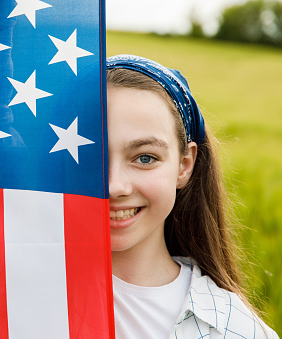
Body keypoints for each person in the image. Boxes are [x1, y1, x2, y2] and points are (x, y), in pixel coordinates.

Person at [106, 54, 279, 339]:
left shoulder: (236, 330)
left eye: (145, 158)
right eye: (90, 156)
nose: (114, 186)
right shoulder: (19, 292)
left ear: (184, 165)